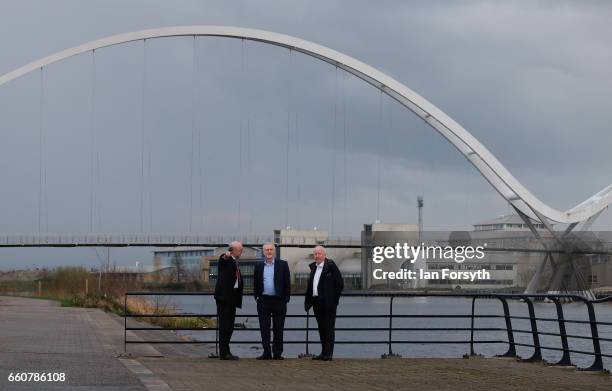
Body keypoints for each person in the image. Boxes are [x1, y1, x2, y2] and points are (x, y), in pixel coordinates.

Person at [304, 245, 343, 361]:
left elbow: (339, 284)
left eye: (319, 253)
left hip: (328, 304)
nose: (317, 256)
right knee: (321, 328)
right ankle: (323, 352)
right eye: (315, 254)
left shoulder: (330, 266)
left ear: (324, 255)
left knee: (329, 328)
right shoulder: (314, 268)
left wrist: (333, 300)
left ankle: (328, 354)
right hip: (317, 303)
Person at [253, 242, 291, 360]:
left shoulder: (283, 265)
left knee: (278, 328)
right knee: (264, 328)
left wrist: (285, 299)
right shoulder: (258, 266)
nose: (268, 252)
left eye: (271, 250)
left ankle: (277, 353)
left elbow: (287, 283)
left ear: (274, 251)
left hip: (279, 301)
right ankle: (266, 353)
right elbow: (256, 283)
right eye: (266, 250)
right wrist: (257, 297)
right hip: (263, 301)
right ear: (263, 252)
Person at [214, 240, 244, 360]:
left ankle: (226, 350)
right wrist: (225, 256)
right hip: (224, 298)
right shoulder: (227, 259)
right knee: (225, 325)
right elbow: (222, 259)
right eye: (240, 249)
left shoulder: (235, 262)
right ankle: (223, 353)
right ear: (233, 250)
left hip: (232, 298)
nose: (241, 251)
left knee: (230, 326)